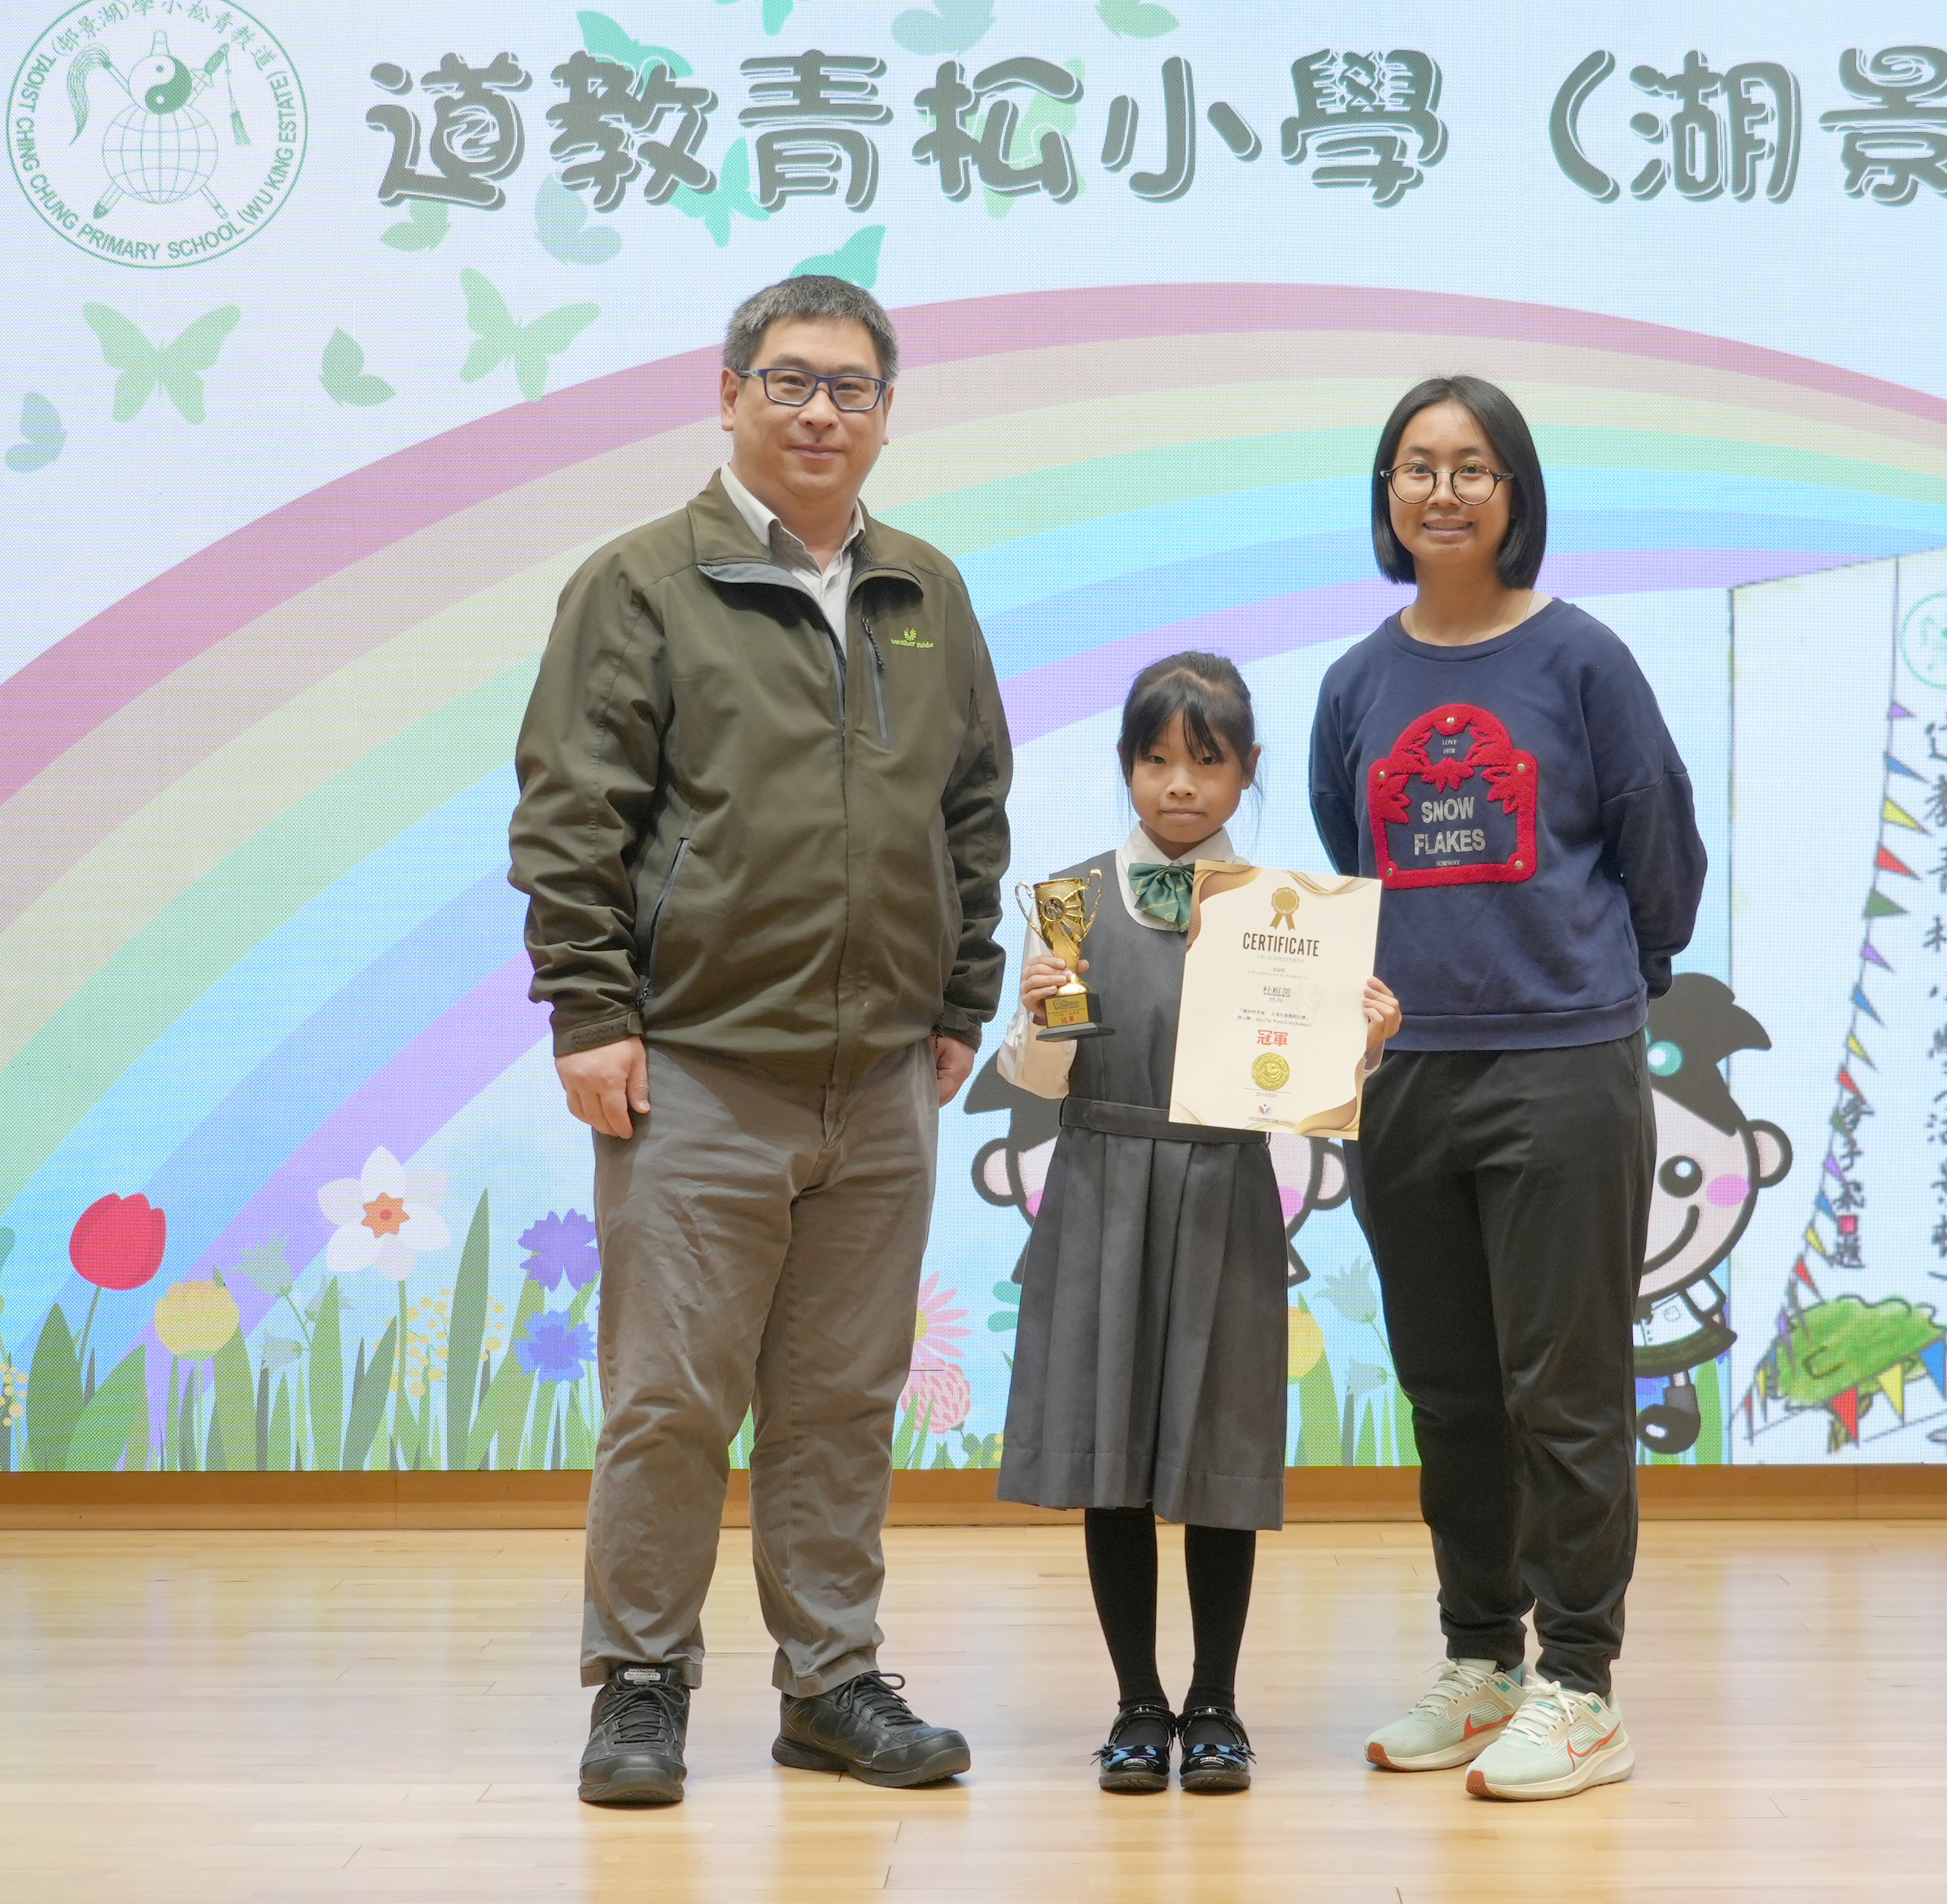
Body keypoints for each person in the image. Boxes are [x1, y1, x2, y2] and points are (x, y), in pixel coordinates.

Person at [508, 274, 1013, 1806]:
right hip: (698, 1066)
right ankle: (640, 1681)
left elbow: (972, 807)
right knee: (671, 1399)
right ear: (728, 394)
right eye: (789, 380)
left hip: (883, 1076)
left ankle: (832, 1682)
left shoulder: (925, 589)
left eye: (851, 387)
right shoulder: (642, 584)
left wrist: (960, 1000)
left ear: (886, 414)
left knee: (842, 1399)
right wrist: (591, 1012)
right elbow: (573, 811)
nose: (818, 411)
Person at [1307, 376, 1708, 1802]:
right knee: (1451, 1392)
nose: (1443, 491)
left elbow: (1660, 845)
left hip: (1562, 1069)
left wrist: (1603, 980)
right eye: (1416, 466)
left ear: (1516, 494)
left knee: (1566, 1392)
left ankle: (1581, 1685)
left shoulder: (1583, 658)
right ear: (1387, 496)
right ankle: (1481, 1661)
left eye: (1472, 467)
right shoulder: (1356, 682)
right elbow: (1349, 856)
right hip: (1407, 1075)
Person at [997, 653, 1400, 1797]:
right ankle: (1137, 1705)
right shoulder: (1069, 902)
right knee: (1112, 1458)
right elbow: (1039, 1082)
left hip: (1225, 1193)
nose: (1180, 783)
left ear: (1248, 771)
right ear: (1127, 765)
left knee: (1221, 1453)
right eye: (1158, 759)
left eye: (1207, 761)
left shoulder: (1289, 912)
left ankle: (1215, 1704)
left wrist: (1364, 1042)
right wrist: (1038, 1018)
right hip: (1102, 1188)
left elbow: (1310, 1095)